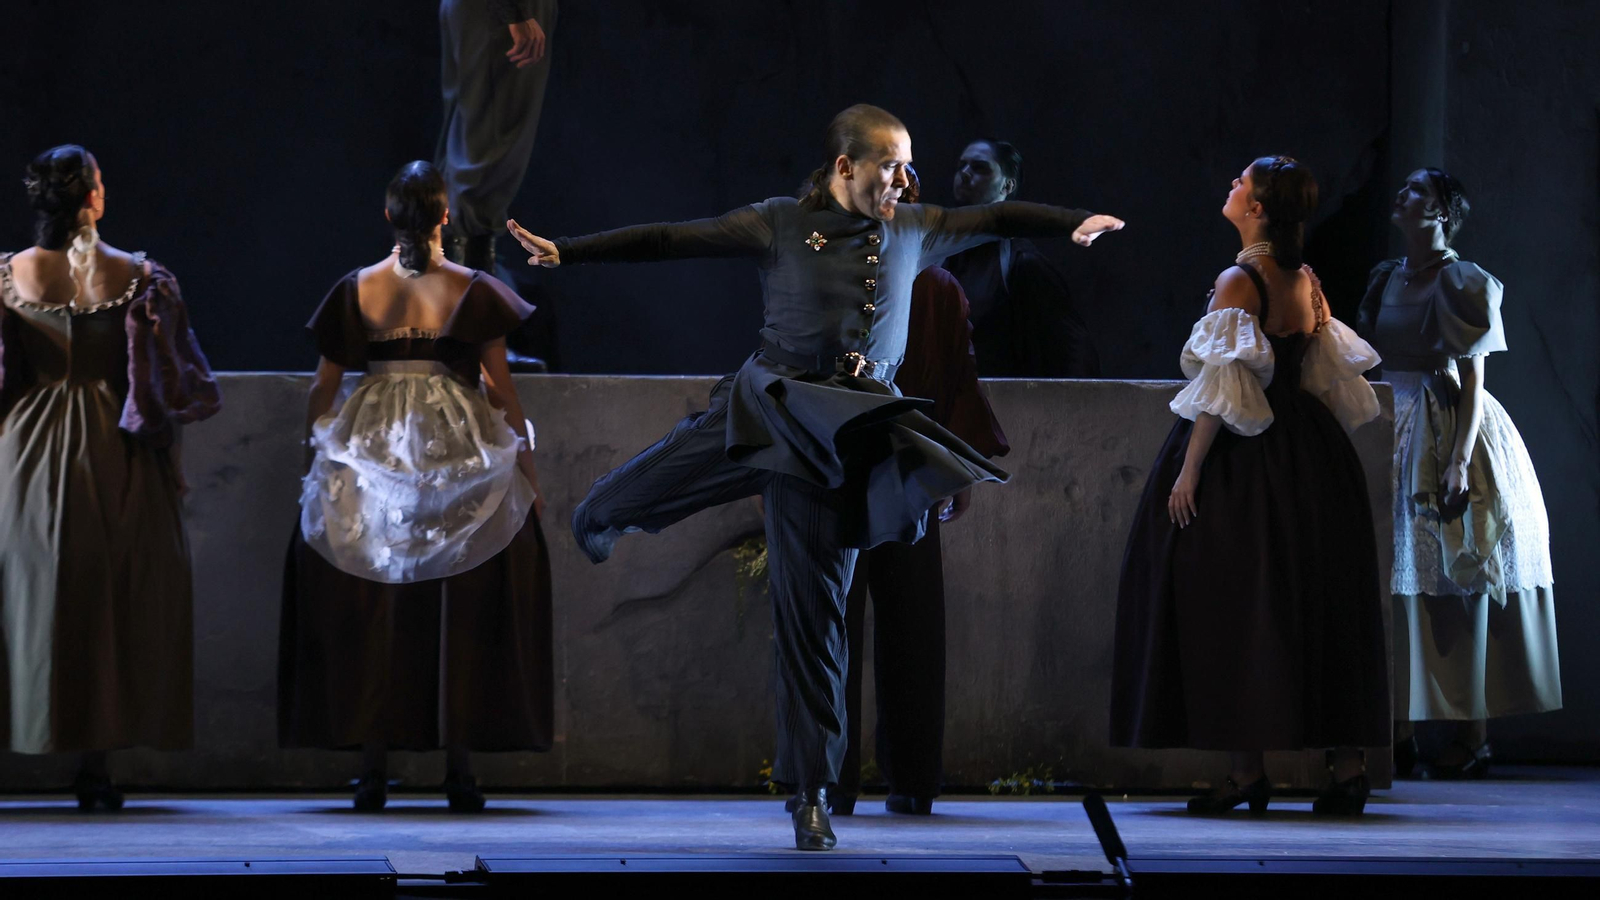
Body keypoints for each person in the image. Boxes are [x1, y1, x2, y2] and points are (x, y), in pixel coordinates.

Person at [509, 104, 1123, 849]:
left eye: (908, 165)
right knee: (663, 474)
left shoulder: (916, 225)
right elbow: (674, 238)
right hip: (775, 400)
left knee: (814, 622)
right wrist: (567, 253)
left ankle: (811, 793)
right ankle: (605, 512)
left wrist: (1072, 221)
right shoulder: (778, 222)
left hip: (849, 435)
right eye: (890, 165)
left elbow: (1001, 218)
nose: (905, 178)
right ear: (845, 168)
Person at [1110, 156, 1389, 816]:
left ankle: (1246, 773)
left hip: (1249, 457)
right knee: (1315, 603)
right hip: (1312, 456)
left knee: (1235, 600)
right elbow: (1323, 379)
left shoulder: (1242, 279)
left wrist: (1190, 469)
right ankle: (1344, 768)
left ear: (1258, 207)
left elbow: (1224, 389)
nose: (1231, 185)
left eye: (1241, 181)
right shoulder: (1305, 279)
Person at [278, 161, 553, 813]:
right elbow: (501, 387)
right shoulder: (472, 286)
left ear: (389, 218)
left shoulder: (358, 287)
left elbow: (323, 386)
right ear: (445, 217)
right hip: (455, 451)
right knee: (459, 595)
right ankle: (459, 770)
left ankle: (373, 769)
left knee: (379, 601)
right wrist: (529, 471)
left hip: (372, 449)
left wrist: (316, 455)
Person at [0, 144, 221, 809]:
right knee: (107, 601)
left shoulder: (10, 274)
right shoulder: (140, 276)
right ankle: (96, 766)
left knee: (30, 595)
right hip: (115, 445)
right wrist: (173, 469)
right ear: (93, 196)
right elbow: (164, 383)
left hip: (24, 451)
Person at [788, 166, 1010, 819]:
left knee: (832, 630)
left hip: (833, 470)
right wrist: (957, 468)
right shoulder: (934, 285)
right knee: (910, 625)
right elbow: (955, 382)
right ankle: (912, 778)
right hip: (906, 472)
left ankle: (829, 782)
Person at [1357, 168, 1560, 779]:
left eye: (1417, 190)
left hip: (1443, 420)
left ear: (1443, 210)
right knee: (1396, 572)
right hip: (1388, 417)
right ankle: (1398, 727)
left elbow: (1472, 379)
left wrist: (1457, 459)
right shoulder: (1388, 276)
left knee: (1451, 570)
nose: (1403, 195)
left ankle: (1472, 734)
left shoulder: (1462, 281)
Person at [942, 139, 1100, 377]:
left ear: (1007, 186)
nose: (964, 174)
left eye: (980, 167)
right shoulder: (941, 256)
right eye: (961, 166)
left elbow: (1074, 355)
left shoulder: (1022, 263)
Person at [436, 0, 559, 272]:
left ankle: (460, 285)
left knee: (466, 150)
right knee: (481, 161)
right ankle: (468, 291)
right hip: (500, 14)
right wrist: (514, 11)